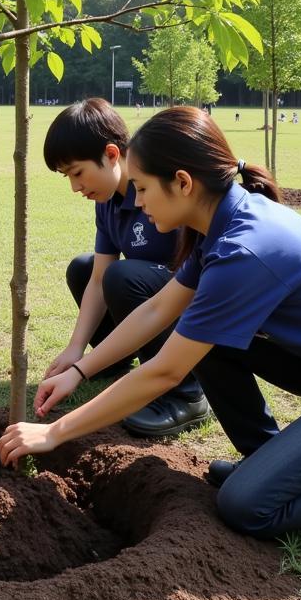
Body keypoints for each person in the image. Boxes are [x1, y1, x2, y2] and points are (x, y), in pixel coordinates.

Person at [0, 106, 301, 538]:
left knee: (247, 506)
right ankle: (269, 460)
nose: (138, 201)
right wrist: (79, 369)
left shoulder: (244, 248)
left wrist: (57, 432)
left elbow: (167, 371)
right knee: (212, 341)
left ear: (183, 183)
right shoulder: (219, 225)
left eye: (143, 188)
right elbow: (157, 309)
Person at [41, 99, 209, 437]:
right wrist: (76, 351)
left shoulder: (162, 188)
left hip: (189, 309)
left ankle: (187, 393)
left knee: (124, 275)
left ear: (112, 154)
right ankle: (115, 359)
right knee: (84, 268)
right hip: (150, 299)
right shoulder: (107, 203)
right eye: (67, 177)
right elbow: (98, 278)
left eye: (77, 173)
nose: (75, 187)